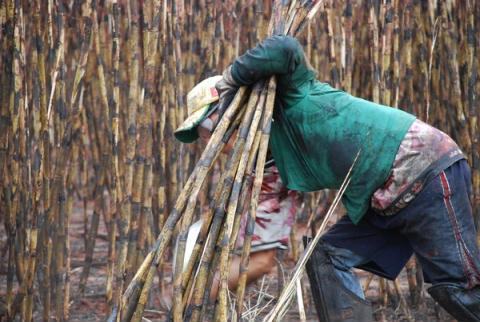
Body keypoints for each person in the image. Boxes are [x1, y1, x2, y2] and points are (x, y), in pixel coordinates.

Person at [181, 35, 480, 322]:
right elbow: (262, 256)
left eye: (210, 128)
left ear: (237, 110)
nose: (211, 144)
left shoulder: (293, 96)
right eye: (204, 138)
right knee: (326, 256)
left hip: (424, 168)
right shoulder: (271, 170)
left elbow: (283, 47)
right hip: (383, 199)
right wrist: (201, 290)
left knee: (459, 289)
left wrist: (230, 79)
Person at [174, 76, 301, 299]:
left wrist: (195, 296)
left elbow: (262, 262)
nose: (208, 140)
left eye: (207, 126)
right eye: (201, 133)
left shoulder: (277, 155)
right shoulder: (262, 163)